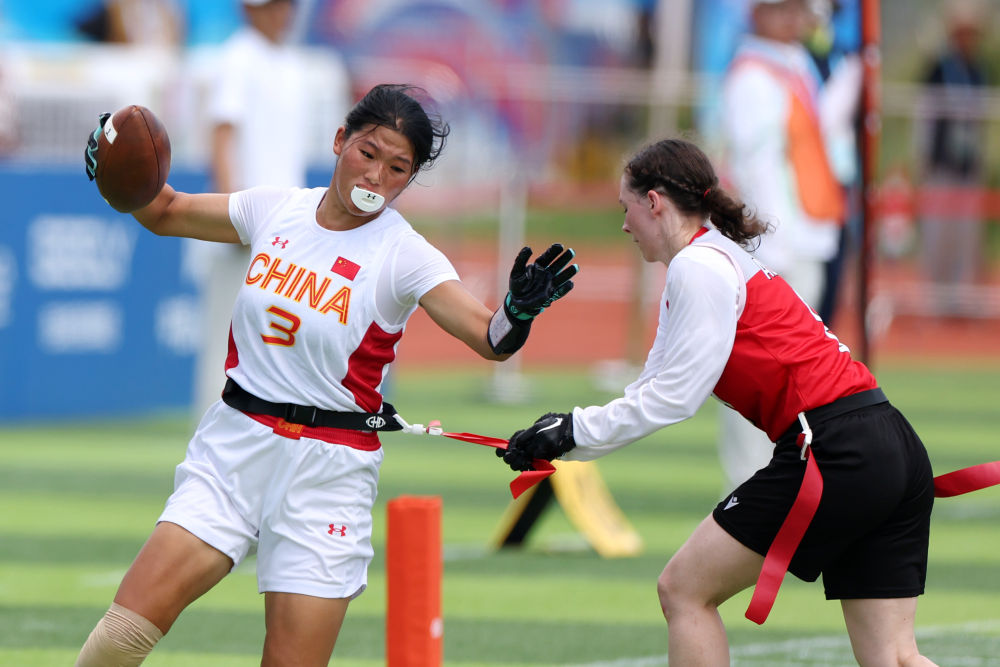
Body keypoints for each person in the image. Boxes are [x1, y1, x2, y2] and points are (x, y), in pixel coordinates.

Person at [77, 83, 579, 666]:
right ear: (340, 140)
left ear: (409, 179)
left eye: (397, 168)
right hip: (234, 447)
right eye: (368, 153)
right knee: (123, 632)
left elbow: (490, 339)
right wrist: (114, 167)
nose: (376, 176)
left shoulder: (404, 253)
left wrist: (517, 311)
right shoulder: (277, 208)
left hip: (329, 474)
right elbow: (163, 211)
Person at [499, 138, 938, 667]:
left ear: (654, 202)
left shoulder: (698, 267)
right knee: (895, 658)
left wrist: (572, 431)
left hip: (833, 450)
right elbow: (651, 387)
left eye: (626, 208)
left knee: (684, 591)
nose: (624, 225)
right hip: (890, 443)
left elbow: (674, 397)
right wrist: (563, 436)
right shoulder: (711, 259)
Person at [190, 0, 351, 421]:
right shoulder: (238, 57)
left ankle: (260, 428)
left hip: (283, 224)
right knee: (227, 331)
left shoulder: (290, 64)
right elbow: (222, 134)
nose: (285, 13)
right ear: (251, 10)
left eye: (287, 6)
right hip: (245, 220)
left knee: (270, 337)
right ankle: (213, 430)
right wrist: (231, 215)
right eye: (275, 6)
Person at [715, 0, 851, 492]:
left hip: (804, 238)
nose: (796, 19)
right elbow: (755, 165)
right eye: (783, 10)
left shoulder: (791, 65)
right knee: (764, 374)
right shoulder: (754, 76)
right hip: (778, 250)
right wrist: (771, 248)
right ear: (758, 15)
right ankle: (750, 488)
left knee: (797, 378)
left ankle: (781, 486)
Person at [915, 0, 990, 308]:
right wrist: (923, 160)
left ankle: (960, 296)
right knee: (939, 232)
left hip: (967, 166)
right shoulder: (938, 69)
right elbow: (925, 118)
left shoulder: (978, 71)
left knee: (966, 234)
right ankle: (937, 295)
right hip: (941, 165)